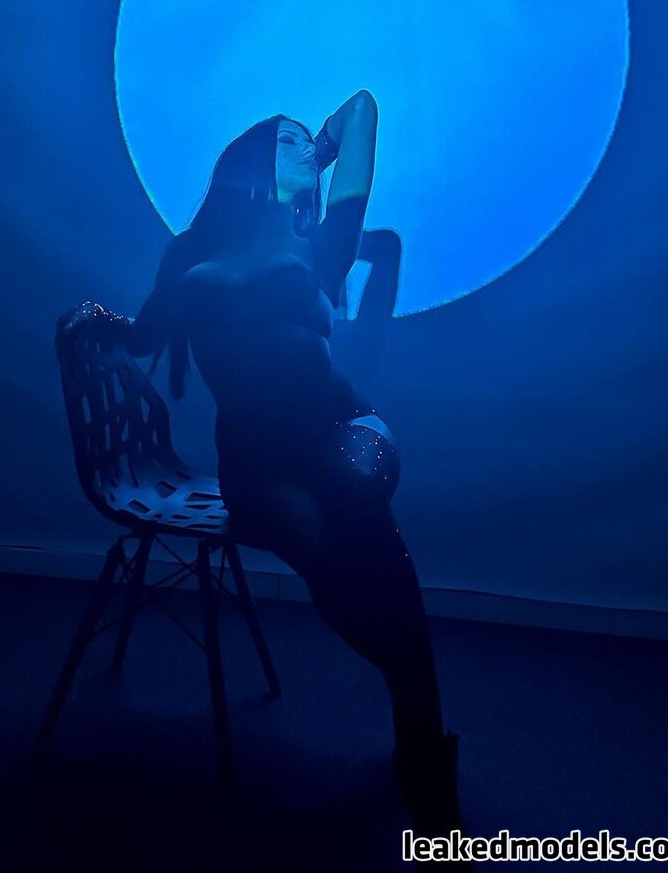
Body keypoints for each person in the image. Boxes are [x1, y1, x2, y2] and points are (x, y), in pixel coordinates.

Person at [111, 92, 465, 850]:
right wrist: (89, 323)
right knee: (332, 563)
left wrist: (313, 150)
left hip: (345, 430)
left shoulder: (323, 245)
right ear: (247, 166)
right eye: (287, 140)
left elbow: (363, 110)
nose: (305, 146)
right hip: (256, 461)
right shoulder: (189, 255)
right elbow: (142, 337)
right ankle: (416, 709)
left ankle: (421, 746)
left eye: (308, 140)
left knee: (351, 493)